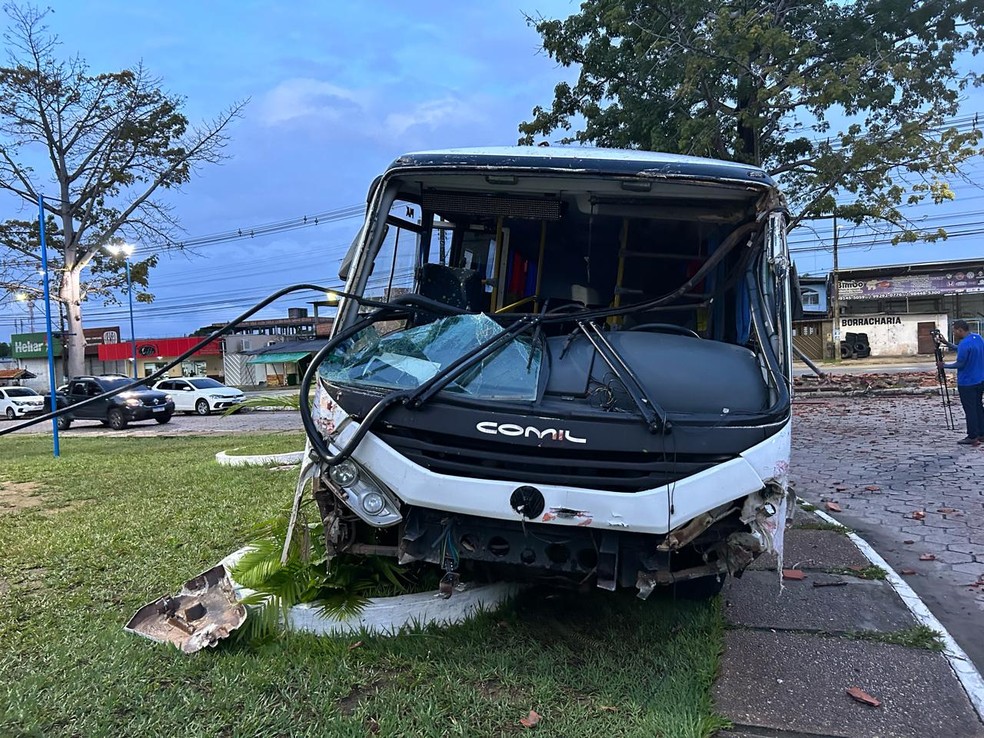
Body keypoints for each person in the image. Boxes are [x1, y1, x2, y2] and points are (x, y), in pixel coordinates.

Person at [937, 320, 984, 446]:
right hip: (980, 379)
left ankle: (972, 435)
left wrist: (944, 365)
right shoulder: (978, 338)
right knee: (979, 406)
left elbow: (960, 364)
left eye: (954, 330)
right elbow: (963, 349)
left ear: (960, 330)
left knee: (970, 410)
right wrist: (947, 343)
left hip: (967, 382)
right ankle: (982, 433)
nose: (954, 333)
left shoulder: (964, 344)